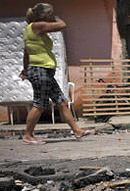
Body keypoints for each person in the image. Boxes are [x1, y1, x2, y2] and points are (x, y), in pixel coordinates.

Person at [20, 3, 94, 145]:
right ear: (45, 16)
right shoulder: (38, 26)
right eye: (51, 13)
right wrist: (54, 18)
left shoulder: (31, 29)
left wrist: (25, 69)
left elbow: (26, 52)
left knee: (62, 102)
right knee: (40, 104)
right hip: (40, 70)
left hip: (42, 70)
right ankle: (28, 135)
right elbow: (63, 25)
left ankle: (77, 131)